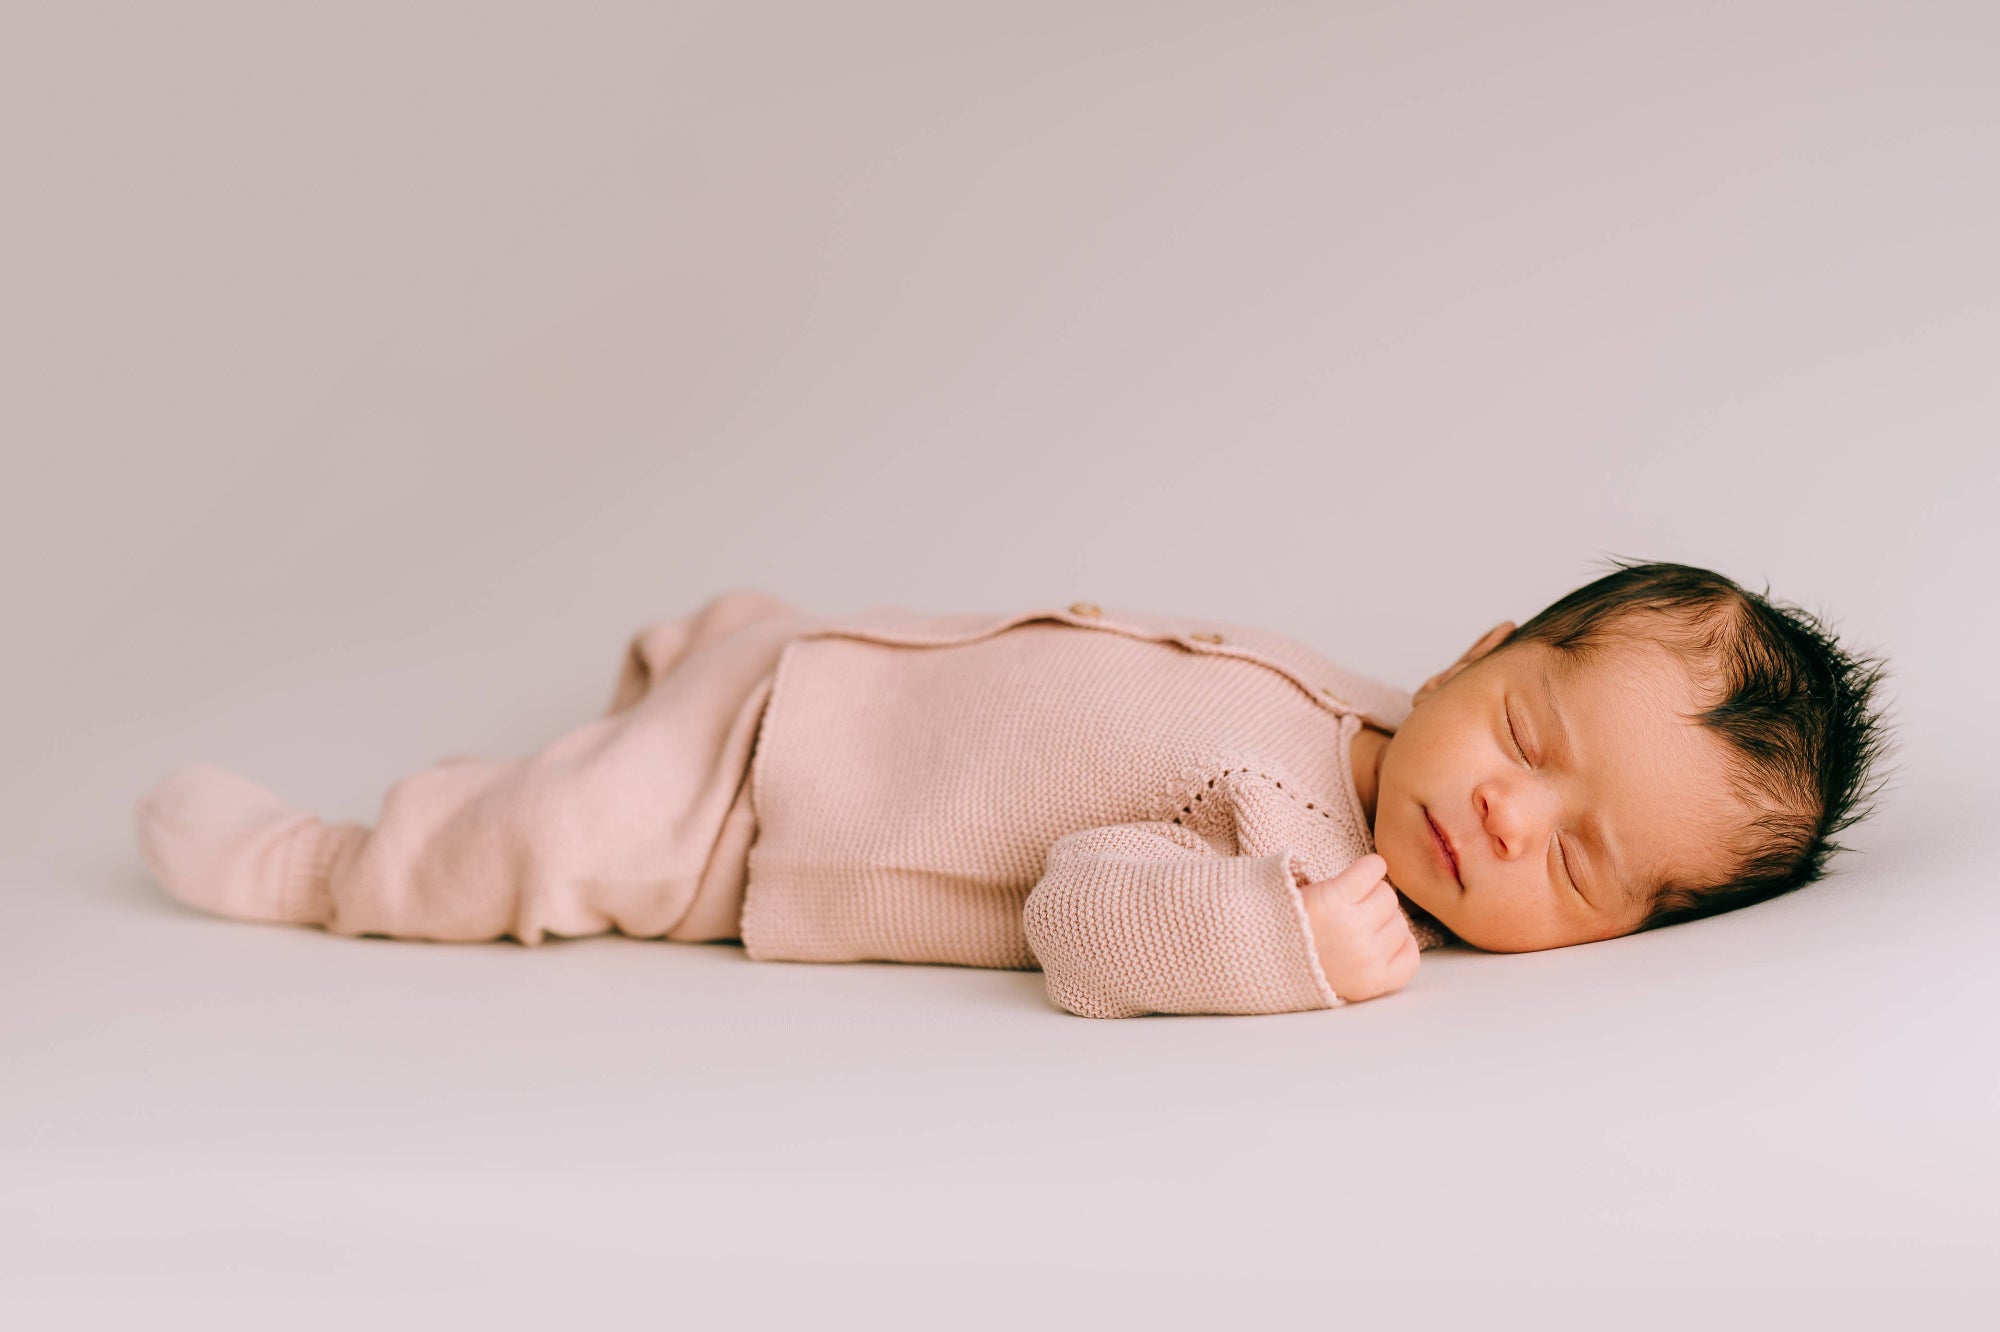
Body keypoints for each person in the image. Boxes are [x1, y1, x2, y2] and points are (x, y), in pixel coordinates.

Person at [132, 560, 1890, 1019]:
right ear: (1480, 650)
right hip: (840, 672)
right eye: (1527, 735)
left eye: (1581, 868)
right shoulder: (1362, 716)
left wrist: (1293, 950)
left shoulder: (1308, 867)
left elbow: (1084, 920)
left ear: (1632, 938)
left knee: (551, 834)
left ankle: (331, 863)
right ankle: (716, 647)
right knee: (742, 640)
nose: (1506, 816)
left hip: (770, 830)